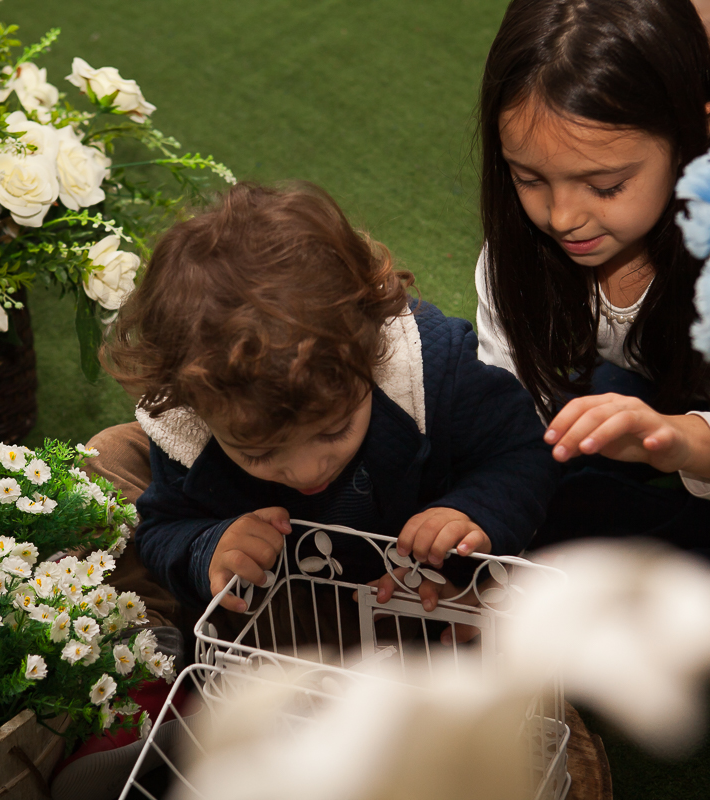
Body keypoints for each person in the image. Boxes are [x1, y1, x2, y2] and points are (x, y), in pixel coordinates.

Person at [104, 182, 560, 620]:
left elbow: (521, 451)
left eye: (334, 430)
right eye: (259, 452)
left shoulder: (431, 372)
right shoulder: (187, 422)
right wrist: (209, 548)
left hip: (404, 594)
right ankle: (148, 635)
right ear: (195, 408)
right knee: (108, 456)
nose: (308, 471)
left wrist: (471, 510)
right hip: (279, 591)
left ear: (370, 353)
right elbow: (162, 526)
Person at [474, 0, 710, 553]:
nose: (562, 217)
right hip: (665, 381)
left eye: (606, 185)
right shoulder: (519, 257)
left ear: (696, 134)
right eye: (528, 177)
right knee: (570, 447)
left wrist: (685, 441)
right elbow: (506, 417)